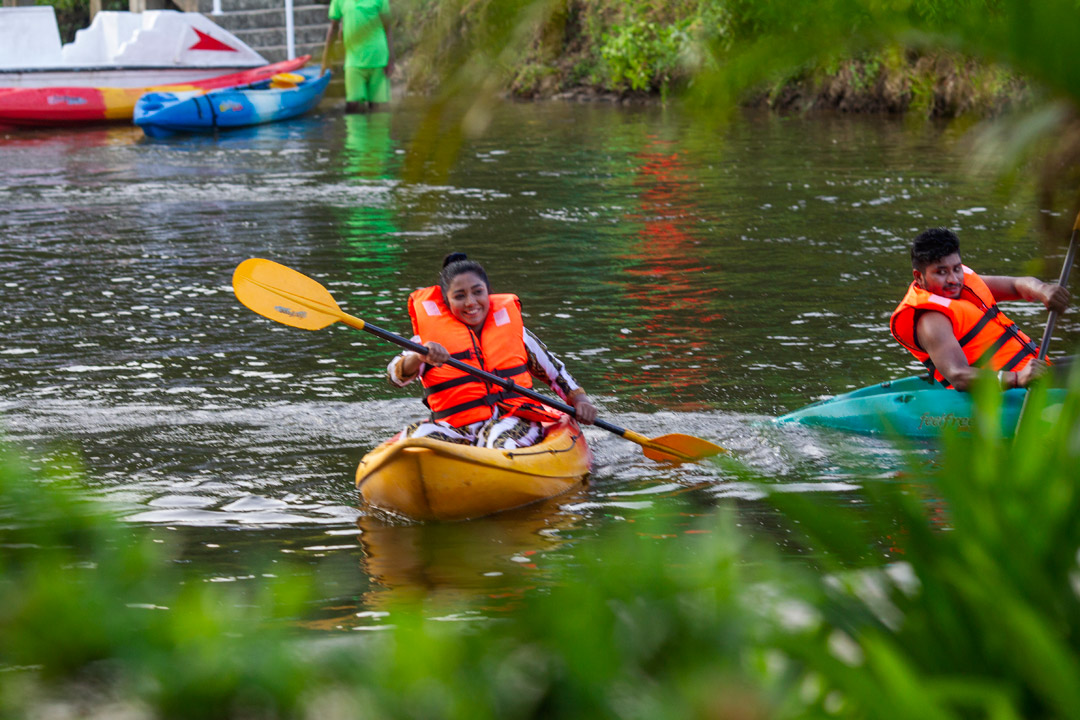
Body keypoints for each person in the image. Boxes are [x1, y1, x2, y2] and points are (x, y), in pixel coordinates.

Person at [388, 253, 598, 449]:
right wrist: (419, 356)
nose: (471, 303)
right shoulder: (426, 342)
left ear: (489, 292)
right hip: (455, 428)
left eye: (478, 292)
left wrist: (580, 401)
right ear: (446, 301)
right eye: (460, 296)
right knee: (414, 438)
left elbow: (556, 374)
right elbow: (395, 377)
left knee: (498, 436)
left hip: (513, 421)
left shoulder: (518, 334)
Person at [890, 227, 1070, 391]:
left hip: (1036, 375)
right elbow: (958, 375)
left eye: (957, 268)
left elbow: (1017, 285)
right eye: (941, 272)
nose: (954, 279)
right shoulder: (930, 320)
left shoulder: (963, 285)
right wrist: (1016, 378)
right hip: (1011, 391)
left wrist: (1043, 289)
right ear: (919, 276)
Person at [321, 0, 394, 114]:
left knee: (377, 109)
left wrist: (391, 59)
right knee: (353, 106)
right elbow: (333, 28)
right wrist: (326, 58)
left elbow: (387, 27)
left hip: (378, 58)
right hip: (353, 60)